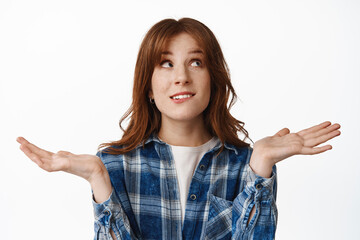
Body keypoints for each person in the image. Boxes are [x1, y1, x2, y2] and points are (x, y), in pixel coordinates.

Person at [16, 17, 341, 240]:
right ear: (148, 85)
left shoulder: (247, 165)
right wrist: (97, 178)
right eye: (166, 63)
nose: (181, 76)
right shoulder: (115, 164)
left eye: (196, 62)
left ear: (214, 79)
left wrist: (263, 162)